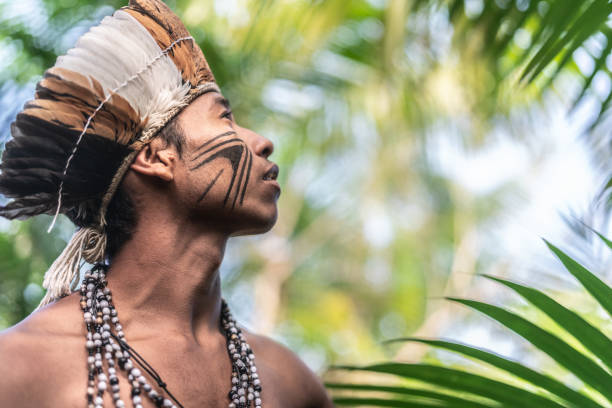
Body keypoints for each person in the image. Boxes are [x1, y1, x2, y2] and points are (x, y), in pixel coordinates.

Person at [0, 1, 334, 407]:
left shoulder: (289, 382)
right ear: (156, 157)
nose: (262, 141)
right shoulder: (24, 368)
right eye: (224, 117)